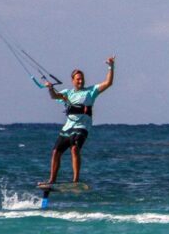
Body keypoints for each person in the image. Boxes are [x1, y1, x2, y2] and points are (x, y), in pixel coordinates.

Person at [41, 56, 115, 186]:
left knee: (74, 149)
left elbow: (108, 83)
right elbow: (54, 96)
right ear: (73, 80)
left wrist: (111, 66)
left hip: (82, 127)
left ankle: (75, 180)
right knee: (55, 152)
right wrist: (50, 88)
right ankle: (52, 180)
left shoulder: (91, 91)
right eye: (78, 79)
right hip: (67, 128)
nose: (80, 81)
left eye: (82, 79)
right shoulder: (67, 93)